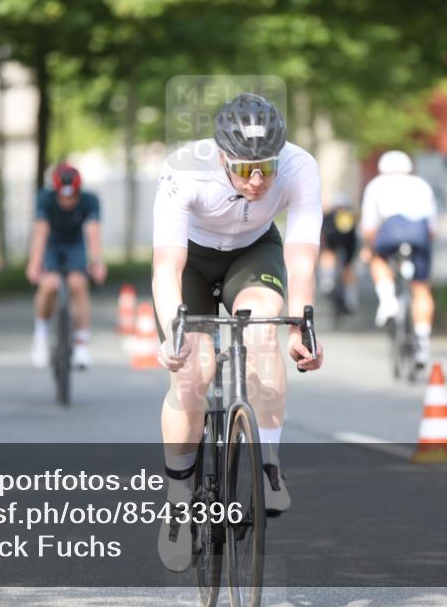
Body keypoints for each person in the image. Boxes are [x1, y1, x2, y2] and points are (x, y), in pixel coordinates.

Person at [152, 93, 324, 571]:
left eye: (265, 168)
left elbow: (303, 256)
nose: (255, 180)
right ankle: (179, 497)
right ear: (221, 154)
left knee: (264, 331)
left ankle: (268, 463)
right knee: (195, 369)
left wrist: (303, 324)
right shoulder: (184, 170)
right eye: (244, 168)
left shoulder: (299, 166)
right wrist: (173, 331)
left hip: (254, 251)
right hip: (191, 258)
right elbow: (167, 268)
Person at [360, 150, 437, 367]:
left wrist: (369, 248)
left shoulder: (376, 185)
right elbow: (432, 228)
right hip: (419, 234)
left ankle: (388, 302)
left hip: (391, 231)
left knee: (378, 259)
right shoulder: (421, 185)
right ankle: (422, 343)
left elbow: (369, 227)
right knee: (421, 288)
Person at [27, 163, 106, 370]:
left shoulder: (90, 201)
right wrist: (35, 263)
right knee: (49, 284)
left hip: (74, 244)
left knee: (78, 283)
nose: (67, 201)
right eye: (63, 197)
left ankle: (81, 344)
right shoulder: (45, 199)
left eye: (72, 197)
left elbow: (93, 233)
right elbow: (40, 233)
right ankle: (41, 336)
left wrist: (97, 262)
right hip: (52, 244)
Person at [319, 191, 360, 312]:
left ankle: (327, 281)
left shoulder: (329, 216)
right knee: (348, 264)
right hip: (348, 242)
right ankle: (351, 297)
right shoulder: (351, 216)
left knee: (328, 253)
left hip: (334, 239)